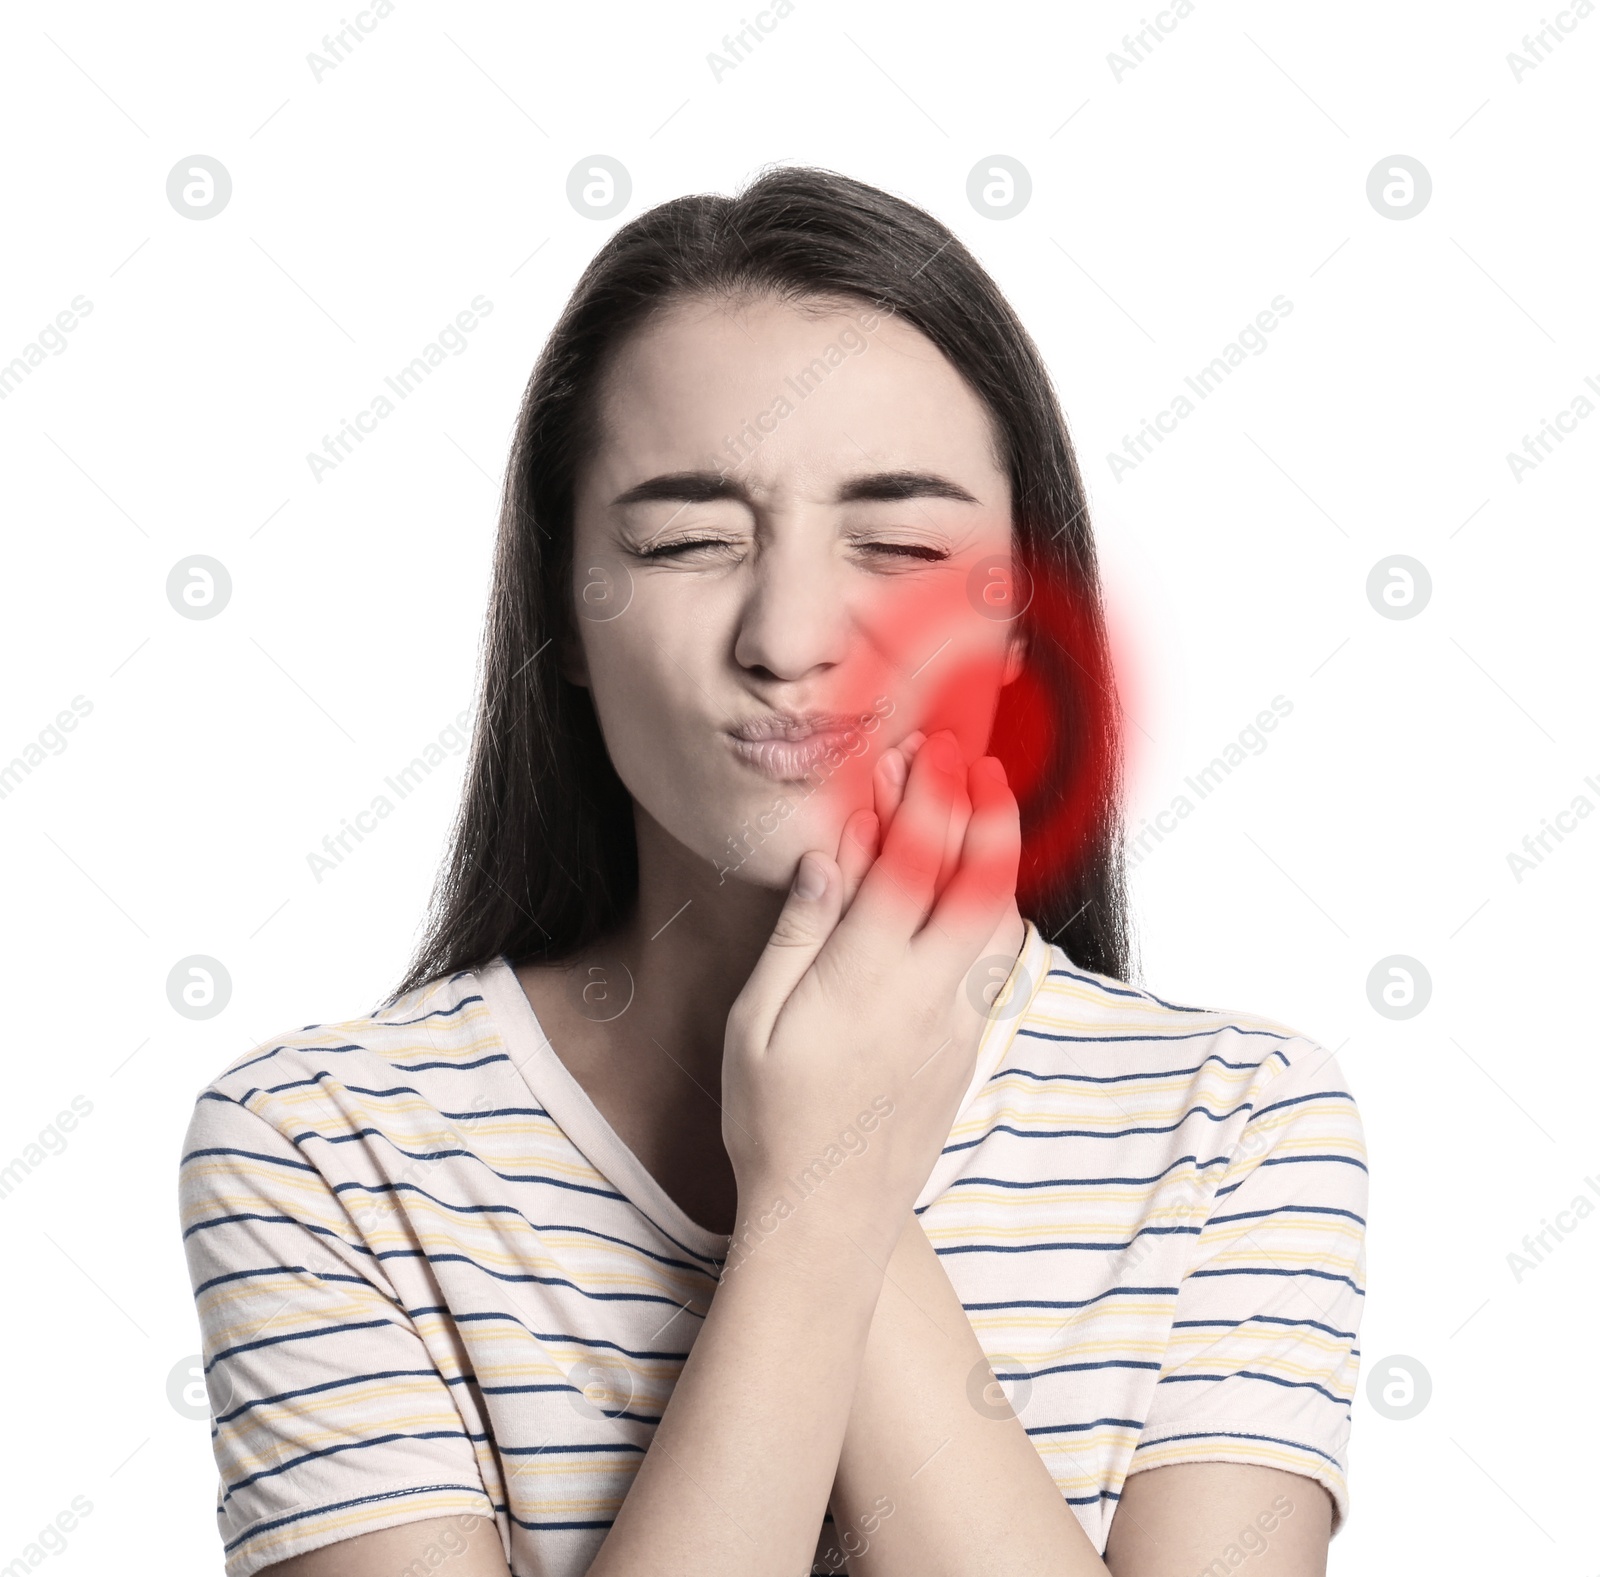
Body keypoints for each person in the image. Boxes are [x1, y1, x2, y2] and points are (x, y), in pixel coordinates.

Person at [178, 167, 1365, 1577]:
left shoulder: (1237, 1124)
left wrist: (837, 1140)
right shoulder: (323, 1145)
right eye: (688, 540)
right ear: (563, 609)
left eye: (901, 544)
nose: (792, 634)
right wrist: (816, 1182)